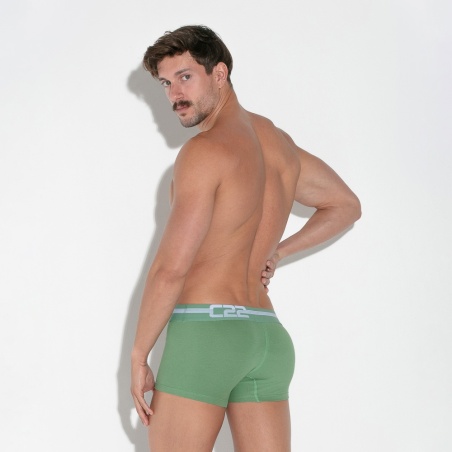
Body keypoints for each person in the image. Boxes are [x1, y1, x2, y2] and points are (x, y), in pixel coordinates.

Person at [131, 25, 361, 451]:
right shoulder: (278, 144)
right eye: (165, 83)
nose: (174, 94)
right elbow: (345, 204)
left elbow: (170, 270)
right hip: (267, 338)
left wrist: (138, 354)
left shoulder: (205, 151)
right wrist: (278, 252)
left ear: (219, 74)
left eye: (185, 77)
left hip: (207, 335)